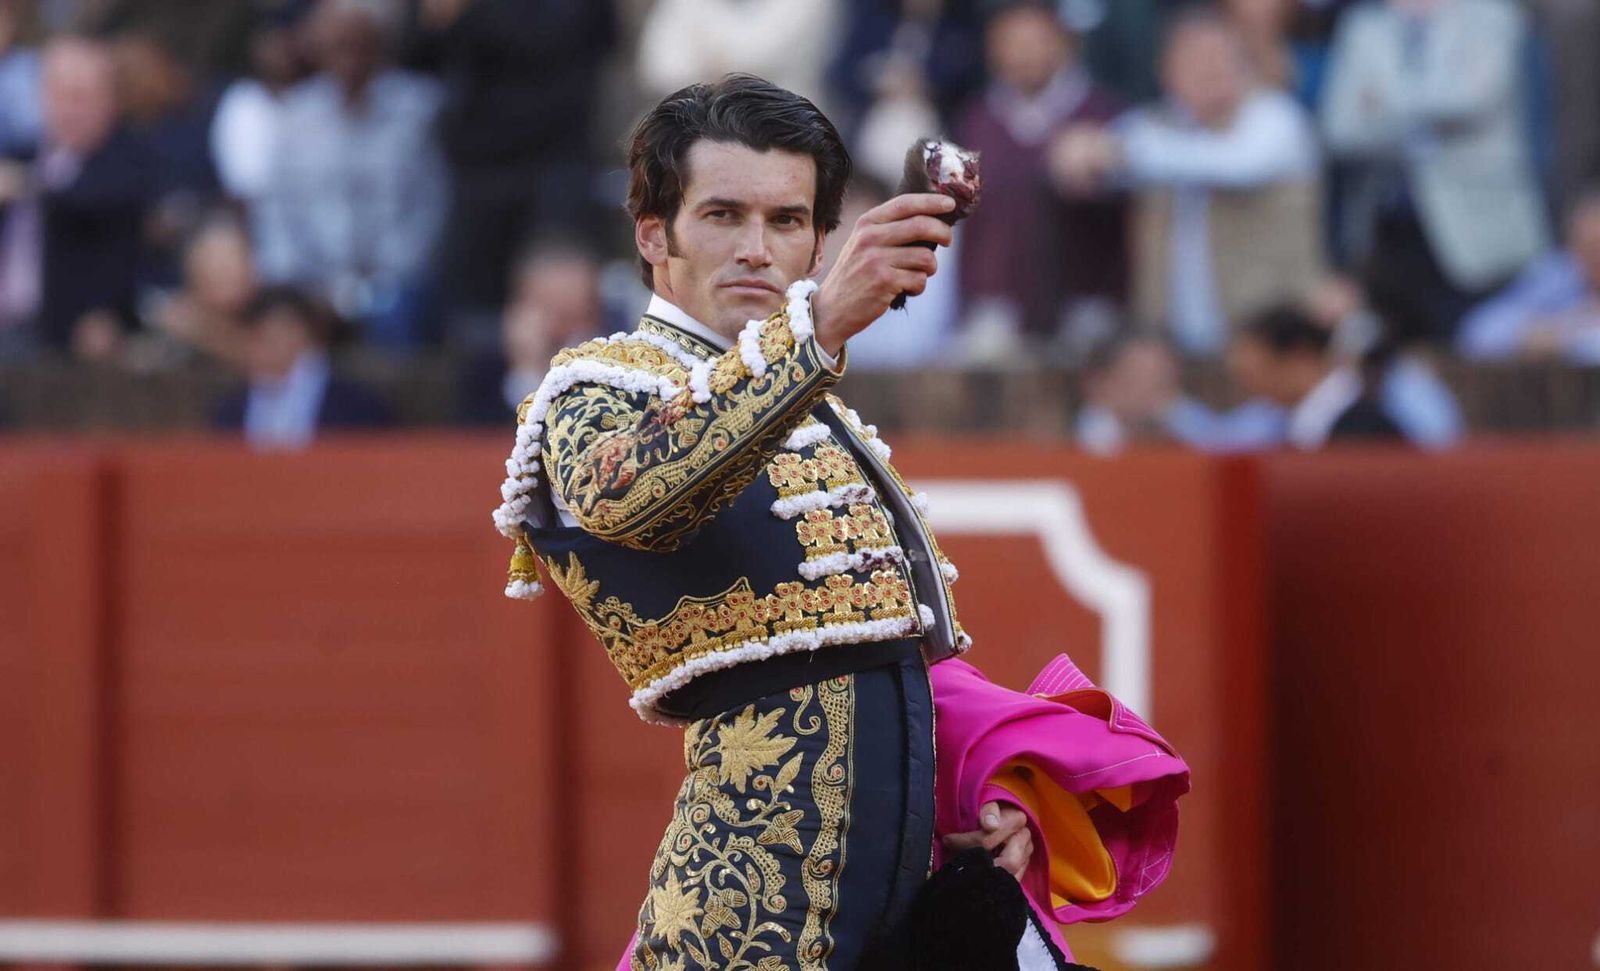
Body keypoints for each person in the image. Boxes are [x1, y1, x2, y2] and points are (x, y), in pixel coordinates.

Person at [493, 75, 1184, 969]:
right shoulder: (595, 388)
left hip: (909, 905)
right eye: (722, 216)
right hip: (746, 911)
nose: (756, 249)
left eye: (786, 222)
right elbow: (626, 497)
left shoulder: (815, 411)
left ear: (821, 241)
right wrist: (812, 332)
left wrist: (985, 786)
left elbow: (901, 660)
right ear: (653, 234)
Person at [1051, 8, 1323, 357]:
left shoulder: (1276, 118)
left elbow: (1232, 163)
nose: (1208, 70)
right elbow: (1088, 160)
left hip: (1269, 337)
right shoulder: (1152, 127)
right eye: (1193, 60)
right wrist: (1079, 155)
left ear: (1244, 65)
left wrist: (1118, 154)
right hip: (1169, 340)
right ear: (1167, 73)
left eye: (1219, 58)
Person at [1320, 0, 1550, 342]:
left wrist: (1381, 102)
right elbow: (1340, 129)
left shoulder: (1492, 15)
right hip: (1388, 234)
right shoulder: (1364, 26)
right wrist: (1422, 119)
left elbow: (1470, 100)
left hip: (1477, 237)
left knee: (1478, 350)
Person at [251, 0, 448, 348]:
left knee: (396, 318)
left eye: (363, 47)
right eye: (340, 47)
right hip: (309, 284)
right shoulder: (296, 118)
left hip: (391, 283)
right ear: (320, 52)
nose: (351, 60)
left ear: (381, 50)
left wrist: (370, 285)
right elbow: (276, 213)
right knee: (281, 324)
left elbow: (429, 209)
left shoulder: (417, 110)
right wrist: (296, 284)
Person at [954, 0, 1126, 360]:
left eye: (1035, 41)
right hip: (996, 310)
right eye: (1011, 43)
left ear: (1062, 42)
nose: (1023, 55)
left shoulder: (1102, 113)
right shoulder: (978, 120)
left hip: (1086, 308)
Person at [214, 284, 394, 449]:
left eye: (283, 332)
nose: (274, 345)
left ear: (308, 336)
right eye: (262, 336)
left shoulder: (358, 408)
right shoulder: (230, 411)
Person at [457, 239, 607, 425]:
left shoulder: (624, 369)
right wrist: (527, 372)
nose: (566, 333)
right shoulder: (482, 371)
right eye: (557, 315)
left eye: (579, 316)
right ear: (519, 310)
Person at [1227, 303, 1404, 449]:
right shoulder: (1296, 430)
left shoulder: (1362, 428)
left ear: (1300, 356)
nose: (1252, 388)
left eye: (1257, 373)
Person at [1457, 188, 1600, 364]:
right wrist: (1538, 333)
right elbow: (1478, 332)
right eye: (1588, 249)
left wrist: (1582, 331)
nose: (1595, 259)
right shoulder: (1561, 273)